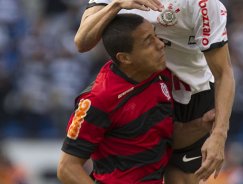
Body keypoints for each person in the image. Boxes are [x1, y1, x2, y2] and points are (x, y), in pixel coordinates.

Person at [73, 0, 235, 183]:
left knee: (179, 178)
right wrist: (116, 5)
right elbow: (82, 42)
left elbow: (223, 72)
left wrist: (219, 135)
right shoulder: (101, 99)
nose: (159, 45)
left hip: (190, 94)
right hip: (135, 90)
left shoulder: (203, 4)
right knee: (128, 176)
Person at [57, 13, 174, 184]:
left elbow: (164, 136)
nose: (160, 44)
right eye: (149, 41)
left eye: (156, 35)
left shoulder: (159, 74)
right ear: (125, 58)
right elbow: (67, 168)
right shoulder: (98, 99)